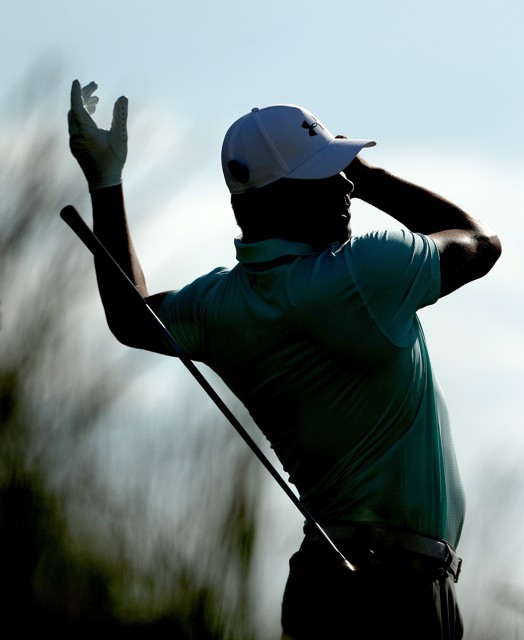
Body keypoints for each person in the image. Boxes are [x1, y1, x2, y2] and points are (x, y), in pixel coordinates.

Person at [67, 79, 501, 639]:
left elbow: (131, 318)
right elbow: (480, 242)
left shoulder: (220, 306)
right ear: (279, 200)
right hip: (400, 588)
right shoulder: (363, 272)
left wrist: (106, 182)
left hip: (327, 579)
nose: (344, 186)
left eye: (345, 174)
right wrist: (374, 179)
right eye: (326, 176)